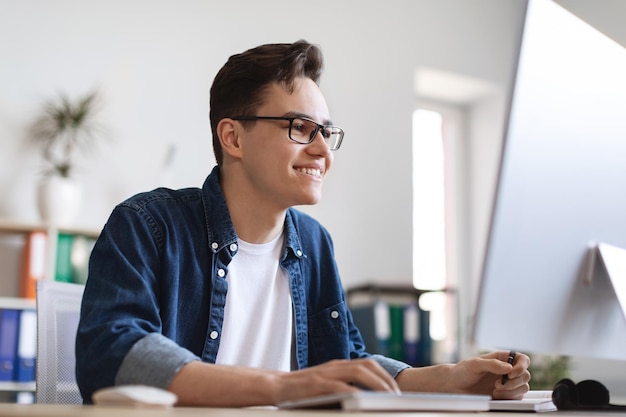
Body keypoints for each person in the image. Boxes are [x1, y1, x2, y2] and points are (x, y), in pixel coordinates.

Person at [75, 40, 530, 407]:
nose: (322, 151)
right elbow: (113, 352)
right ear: (233, 137)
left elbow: (346, 362)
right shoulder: (149, 226)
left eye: (326, 132)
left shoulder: (312, 243)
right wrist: (280, 387)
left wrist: (448, 379)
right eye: (299, 127)